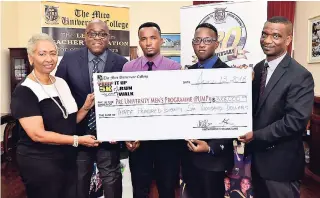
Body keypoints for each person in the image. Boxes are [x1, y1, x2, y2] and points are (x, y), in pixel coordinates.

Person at [10, 33, 100, 198]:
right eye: (42, 54)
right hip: (40, 162)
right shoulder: (24, 90)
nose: (49, 58)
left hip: (67, 158)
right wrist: (78, 140)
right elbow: (38, 134)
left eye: (52, 53)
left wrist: (86, 108)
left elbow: (70, 121)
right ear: (31, 58)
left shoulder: (61, 82)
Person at [239, 16, 315, 198]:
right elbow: (254, 108)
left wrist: (256, 136)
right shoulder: (257, 69)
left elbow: (295, 122)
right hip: (255, 161)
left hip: (280, 166)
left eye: (275, 36)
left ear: (288, 40)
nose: (267, 40)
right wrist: (240, 83)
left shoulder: (300, 76)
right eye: (264, 34)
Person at [55, 19, 128, 198]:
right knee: (80, 180)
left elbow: (126, 99)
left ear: (109, 38)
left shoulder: (120, 63)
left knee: (111, 180)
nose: (97, 38)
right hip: (79, 133)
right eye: (92, 33)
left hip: (109, 137)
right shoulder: (69, 59)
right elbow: (59, 92)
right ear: (84, 37)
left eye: (102, 34)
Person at [122, 22, 181, 198]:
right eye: (144, 39)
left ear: (161, 41)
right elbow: (124, 105)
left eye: (153, 38)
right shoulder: (128, 68)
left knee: (167, 187)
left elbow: (177, 106)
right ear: (139, 42)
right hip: (138, 141)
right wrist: (127, 135)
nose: (148, 43)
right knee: (140, 188)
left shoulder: (174, 69)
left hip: (167, 141)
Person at [181, 23, 234, 198]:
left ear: (216, 44)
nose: (201, 44)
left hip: (213, 159)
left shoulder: (230, 75)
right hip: (188, 157)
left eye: (207, 40)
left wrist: (210, 147)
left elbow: (233, 117)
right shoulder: (185, 74)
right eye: (197, 40)